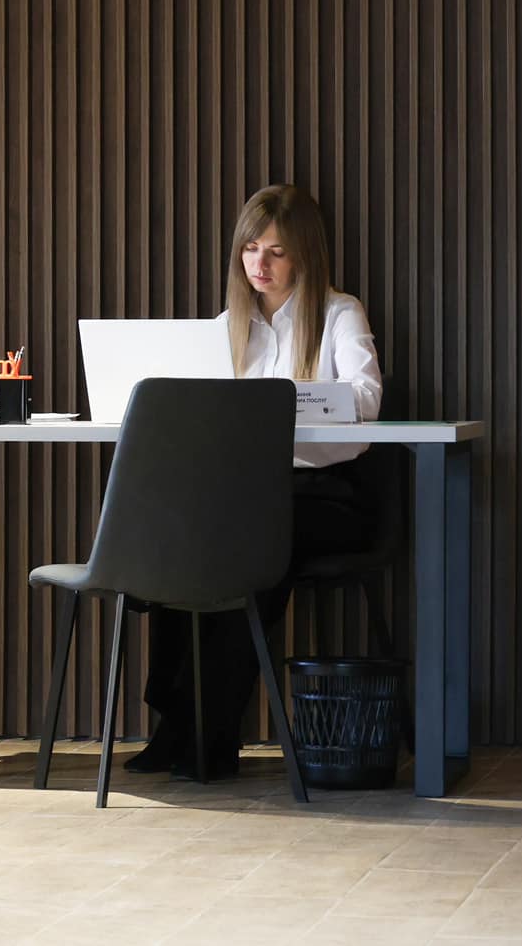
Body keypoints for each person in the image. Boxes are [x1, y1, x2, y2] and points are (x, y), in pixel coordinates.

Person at [130, 183, 383, 780]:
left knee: (245, 554)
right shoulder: (226, 327)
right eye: (250, 249)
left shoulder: (338, 313)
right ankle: (181, 721)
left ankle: (203, 736)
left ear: (304, 255)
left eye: (276, 252)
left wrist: (282, 404)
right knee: (185, 544)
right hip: (243, 496)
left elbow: (367, 400)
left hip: (324, 494)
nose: (259, 265)